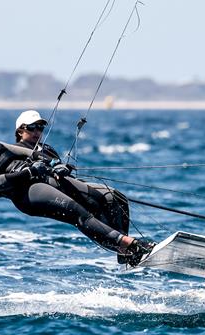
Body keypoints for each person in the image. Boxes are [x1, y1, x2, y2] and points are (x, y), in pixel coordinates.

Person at [0, 113, 153, 266]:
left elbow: (30, 153)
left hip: (40, 177)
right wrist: (29, 172)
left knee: (106, 197)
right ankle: (131, 246)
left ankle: (125, 253)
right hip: (26, 192)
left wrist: (54, 163)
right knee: (76, 211)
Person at [13, 110, 134, 261]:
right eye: (32, 127)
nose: (37, 131)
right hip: (46, 193)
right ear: (20, 130)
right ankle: (124, 247)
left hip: (66, 185)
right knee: (94, 205)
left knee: (118, 198)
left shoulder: (47, 148)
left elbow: (58, 168)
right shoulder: (16, 150)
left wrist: (64, 168)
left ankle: (125, 251)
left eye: (40, 127)